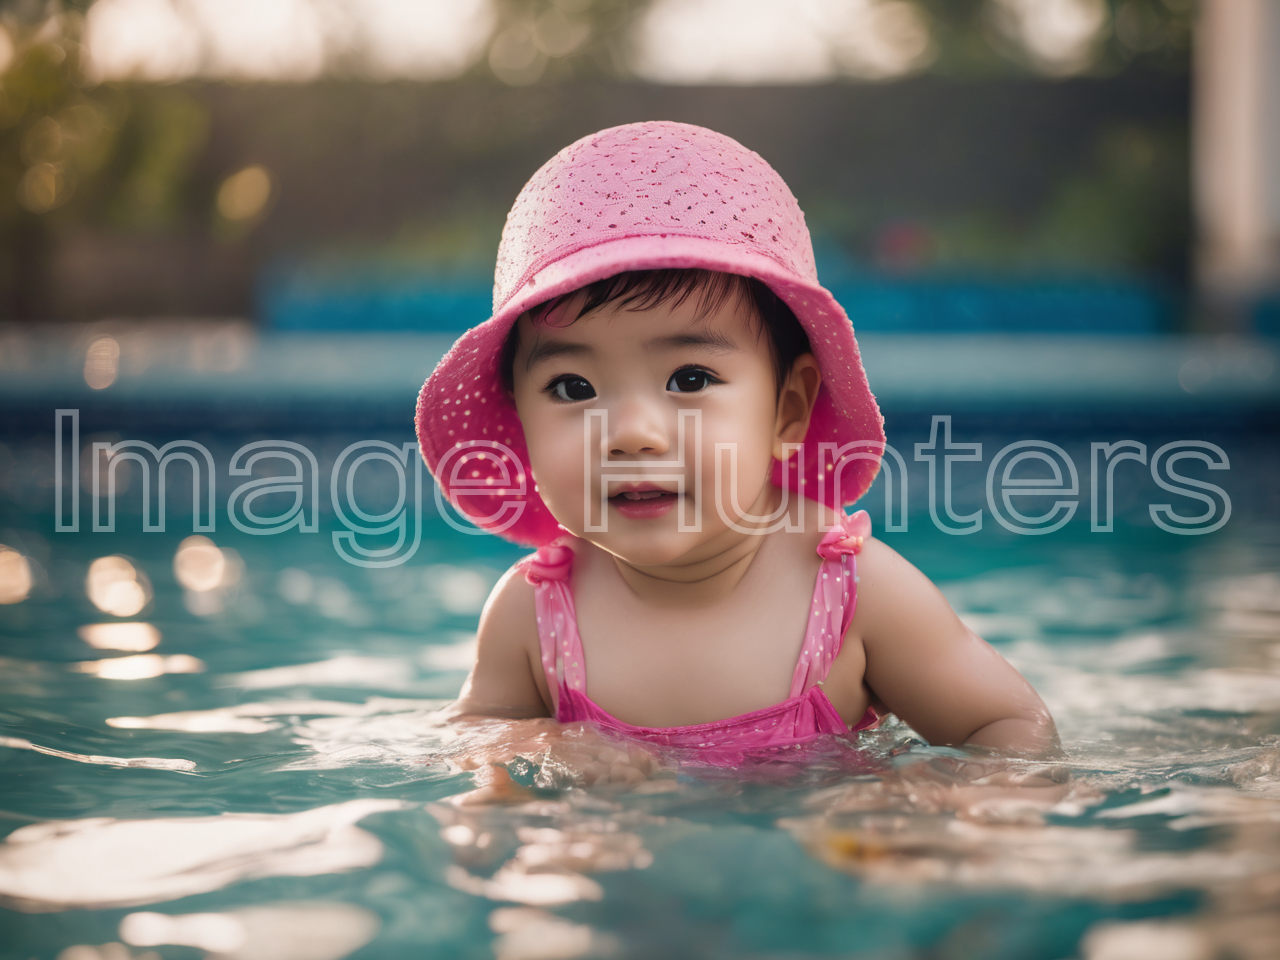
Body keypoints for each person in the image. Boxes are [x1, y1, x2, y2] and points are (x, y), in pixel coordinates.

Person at [416, 122, 1059, 781]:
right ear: (521, 422)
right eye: (572, 388)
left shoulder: (854, 594)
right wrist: (539, 758)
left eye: (690, 380)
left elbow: (1009, 727)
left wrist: (942, 808)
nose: (632, 433)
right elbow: (476, 745)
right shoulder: (533, 613)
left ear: (787, 408)